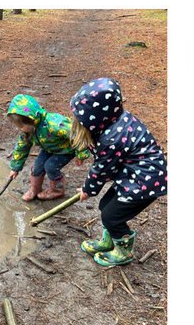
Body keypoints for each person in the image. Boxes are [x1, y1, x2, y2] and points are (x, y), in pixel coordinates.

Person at [68, 78, 168, 268]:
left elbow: (102, 168)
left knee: (112, 216)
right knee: (106, 205)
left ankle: (123, 251)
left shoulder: (112, 137)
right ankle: (110, 241)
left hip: (145, 180)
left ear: (96, 117)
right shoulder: (115, 120)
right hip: (133, 174)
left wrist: (88, 189)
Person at [3, 92, 90, 202]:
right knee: (37, 167)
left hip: (66, 149)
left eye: (21, 126)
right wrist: (15, 167)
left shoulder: (54, 124)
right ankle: (35, 189)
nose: (20, 129)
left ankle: (57, 190)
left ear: (32, 120)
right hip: (49, 148)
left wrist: (81, 154)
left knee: (50, 167)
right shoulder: (27, 132)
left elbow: (77, 135)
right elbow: (21, 148)